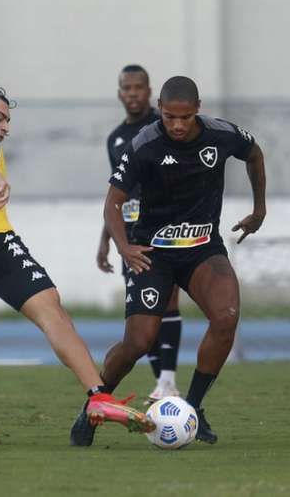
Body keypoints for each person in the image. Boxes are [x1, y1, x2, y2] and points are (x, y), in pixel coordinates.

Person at [0, 84, 153, 446]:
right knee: (51, 309)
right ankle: (98, 395)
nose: (5, 126)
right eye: (2, 117)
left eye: (8, 120)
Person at [70, 75, 267, 446]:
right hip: (153, 252)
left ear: (198, 110)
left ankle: (191, 409)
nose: (176, 125)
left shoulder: (222, 135)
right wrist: (125, 247)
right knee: (138, 342)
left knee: (226, 319)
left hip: (202, 248)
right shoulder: (143, 144)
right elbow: (112, 202)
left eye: (185, 118)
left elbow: (254, 154)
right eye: (169, 117)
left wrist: (259, 209)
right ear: (159, 108)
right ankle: (93, 405)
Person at [98, 64, 183, 403]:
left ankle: (167, 381)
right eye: (126, 88)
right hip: (130, 237)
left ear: (149, 92)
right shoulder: (115, 138)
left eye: (138, 87)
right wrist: (105, 239)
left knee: (169, 302)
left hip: (165, 228)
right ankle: (162, 386)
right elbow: (116, 193)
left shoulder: (164, 126)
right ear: (120, 93)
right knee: (143, 315)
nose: (132, 93)